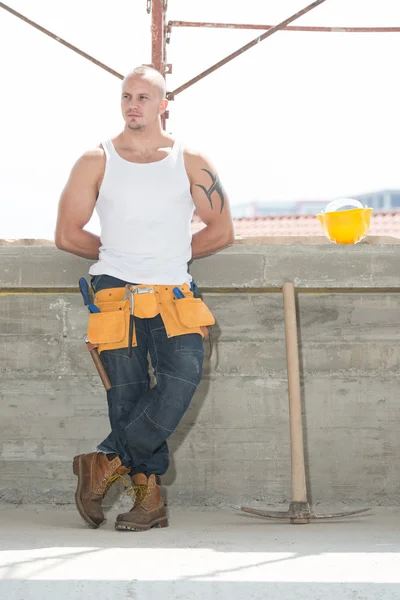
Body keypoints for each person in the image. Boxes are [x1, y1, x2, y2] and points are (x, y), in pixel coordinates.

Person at [55, 65, 235, 532]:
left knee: (181, 382)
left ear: (163, 105)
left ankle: (104, 461)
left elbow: (221, 230)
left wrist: (166, 256)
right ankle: (148, 502)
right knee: (128, 397)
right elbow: (67, 233)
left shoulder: (189, 159)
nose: (133, 104)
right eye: (126, 96)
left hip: (175, 292)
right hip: (114, 293)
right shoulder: (95, 160)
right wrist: (124, 257)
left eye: (143, 97)